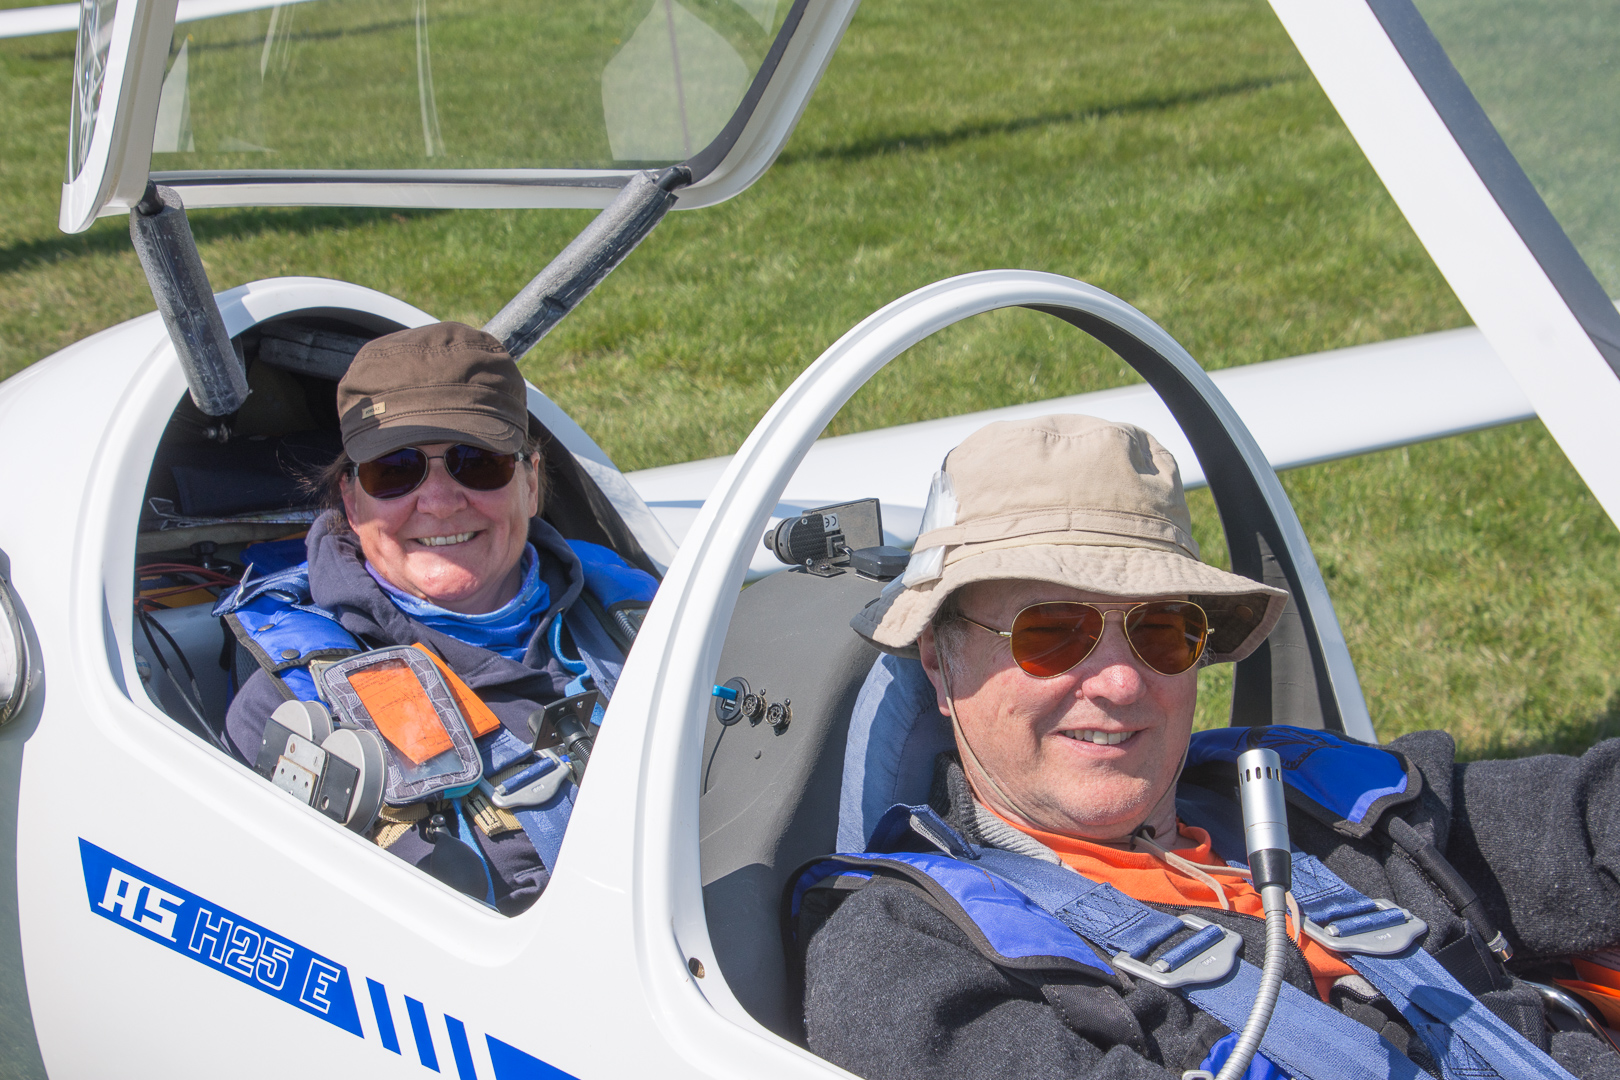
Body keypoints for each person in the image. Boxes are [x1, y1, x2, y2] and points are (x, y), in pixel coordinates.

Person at [793, 414, 1620, 1079]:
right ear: (940, 661)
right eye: (1052, 633)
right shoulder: (907, 956)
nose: (1122, 682)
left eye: (1161, 631)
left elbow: (1592, 815)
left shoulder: (1316, 796)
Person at [218, 322, 657, 915]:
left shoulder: (641, 613)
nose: (441, 502)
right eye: (395, 470)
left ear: (530, 482)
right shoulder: (294, 711)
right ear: (351, 501)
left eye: (477, 463)